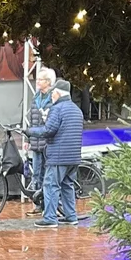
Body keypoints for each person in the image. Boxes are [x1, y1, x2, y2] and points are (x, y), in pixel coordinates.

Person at [37, 76, 85, 225]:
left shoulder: (57, 109)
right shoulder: (77, 110)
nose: (51, 95)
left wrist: (29, 131)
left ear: (58, 93)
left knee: (51, 185)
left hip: (59, 156)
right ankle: (71, 217)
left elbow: (48, 130)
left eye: (53, 93)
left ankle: (50, 218)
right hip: (74, 157)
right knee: (67, 185)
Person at [26, 64, 56, 206]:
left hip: (48, 142)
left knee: (47, 174)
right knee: (36, 174)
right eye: (37, 79)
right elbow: (32, 119)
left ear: (48, 82)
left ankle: (48, 204)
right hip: (36, 141)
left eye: (40, 79)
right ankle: (38, 204)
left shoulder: (53, 98)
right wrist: (27, 139)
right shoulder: (36, 97)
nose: (37, 82)